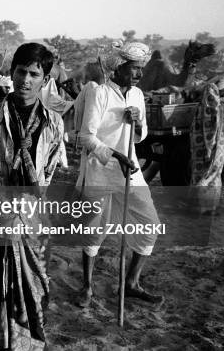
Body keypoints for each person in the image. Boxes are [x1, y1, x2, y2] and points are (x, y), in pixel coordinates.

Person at [0, 43, 64, 350]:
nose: (25, 80)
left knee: (32, 291)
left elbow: (46, 178)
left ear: (44, 79)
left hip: (31, 224)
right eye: (21, 71)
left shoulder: (54, 124)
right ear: (11, 72)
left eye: (34, 74)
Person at [77, 41, 164, 307]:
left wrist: (138, 122)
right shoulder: (100, 93)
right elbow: (85, 137)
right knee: (95, 229)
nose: (139, 75)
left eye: (141, 69)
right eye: (135, 69)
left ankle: (131, 283)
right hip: (101, 170)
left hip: (131, 170)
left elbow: (141, 136)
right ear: (120, 67)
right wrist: (116, 156)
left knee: (150, 224)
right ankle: (88, 287)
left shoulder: (137, 95)